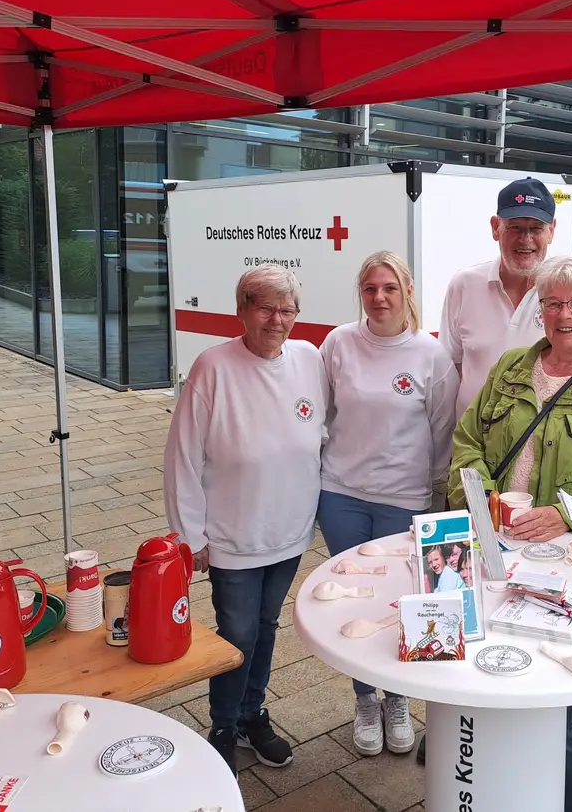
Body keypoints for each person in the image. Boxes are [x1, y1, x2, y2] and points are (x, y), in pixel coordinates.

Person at [447, 253, 572, 812]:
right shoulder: (511, 367)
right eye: (554, 303)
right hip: (491, 545)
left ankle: (559, 799)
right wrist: (478, 498)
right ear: (539, 311)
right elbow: (467, 441)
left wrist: (566, 516)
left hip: (566, 559)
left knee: (552, 686)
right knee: (481, 663)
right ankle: (479, 779)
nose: (565, 314)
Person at [163, 263, 329, 773]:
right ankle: (222, 725)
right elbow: (182, 457)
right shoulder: (212, 367)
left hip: (290, 529)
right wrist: (190, 538)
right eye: (265, 307)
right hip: (233, 534)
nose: (277, 319)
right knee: (235, 635)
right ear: (242, 311)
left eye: (287, 309)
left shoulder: (308, 358)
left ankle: (253, 712)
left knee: (266, 625)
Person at [317, 250, 458, 758]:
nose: (379, 298)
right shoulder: (338, 343)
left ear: (407, 294)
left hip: (404, 501)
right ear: (361, 292)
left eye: (390, 288)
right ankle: (364, 699)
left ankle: (397, 698)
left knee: (398, 602)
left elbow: (443, 433)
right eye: (371, 288)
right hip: (341, 495)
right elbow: (321, 414)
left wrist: (434, 501)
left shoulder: (430, 355)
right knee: (354, 601)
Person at [438, 177, 572, 419]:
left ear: (552, 231)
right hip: (473, 443)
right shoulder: (463, 284)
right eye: (515, 227)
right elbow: (451, 366)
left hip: (544, 445)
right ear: (495, 228)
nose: (525, 239)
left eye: (536, 229)